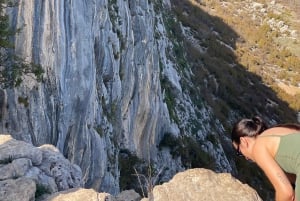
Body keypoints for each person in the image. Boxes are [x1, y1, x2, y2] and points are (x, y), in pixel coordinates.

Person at [231, 116, 300, 201]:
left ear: (244, 141)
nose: (245, 158)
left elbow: (286, 192)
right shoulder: (278, 132)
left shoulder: (258, 147)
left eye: (239, 152)